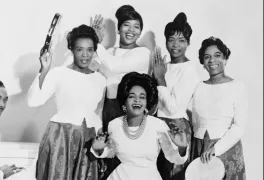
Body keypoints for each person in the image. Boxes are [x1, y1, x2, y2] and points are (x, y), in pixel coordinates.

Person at [27, 24, 106, 180]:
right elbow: (33, 101)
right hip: (60, 137)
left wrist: (99, 139)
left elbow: (97, 113)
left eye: (90, 49)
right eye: (79, 49)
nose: (85, 55)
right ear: (71, 49)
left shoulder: (100, 79)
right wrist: (44, 69)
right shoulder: (59, 73)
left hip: (88, 140)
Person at [90, 5, 152, 178]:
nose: (131, 30)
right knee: (106, 160)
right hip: (107, 109)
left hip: (128, 110)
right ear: (118, 29)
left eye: (136, 26)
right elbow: (92, 68)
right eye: (126, 25)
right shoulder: (109, 52)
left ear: (140, 32)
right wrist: (92, 42)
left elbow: (114, 66)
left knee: (126, 159)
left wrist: (98, 44)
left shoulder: (143, 53)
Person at [91, 72, 189, 180]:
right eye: (132, 96)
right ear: (124, 102)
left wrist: (182, 148)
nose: (137, 100)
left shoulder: (157, 125)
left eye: (142, 97)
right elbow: (112, 152)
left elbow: (172, 156)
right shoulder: (114, 124)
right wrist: (99, 150)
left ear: (147, 103)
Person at [151, 12, 200, 180]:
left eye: (181, 41)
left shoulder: (189, 69)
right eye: (171, 39)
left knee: (173, 175)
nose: (175, 45)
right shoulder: (163, 66)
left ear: (188, 43)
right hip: (157, 125)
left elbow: (172, 108)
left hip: (176, 127)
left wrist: (159, 78)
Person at [190, 37, 247, 179]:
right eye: (207, 57)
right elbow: (195, 122)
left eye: (217, 55)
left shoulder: (237, 86)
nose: (212, 60)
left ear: (225, 58)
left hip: (226, 149)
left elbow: (239, 127)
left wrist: (216, 148)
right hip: (200, 148)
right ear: (202, 63)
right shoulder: (198, 87)